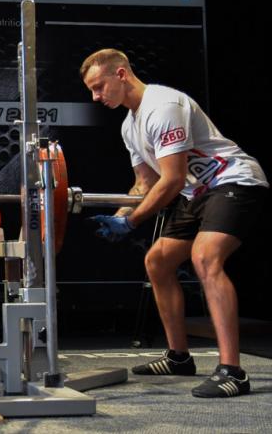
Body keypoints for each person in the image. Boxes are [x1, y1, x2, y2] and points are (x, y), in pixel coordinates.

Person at [80, 48, 268, 398]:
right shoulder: (129, 126)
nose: (95, 97)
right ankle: (179, 357)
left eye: (99, 86)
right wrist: (118, 216)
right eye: (92, 90)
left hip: (233, 180)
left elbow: (172, 179)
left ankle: (233, 371)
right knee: (158, 261)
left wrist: (132, 222)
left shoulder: (162, 106)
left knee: (205, 257)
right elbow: (144, 183)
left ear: (121, 74)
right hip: (197, 192)